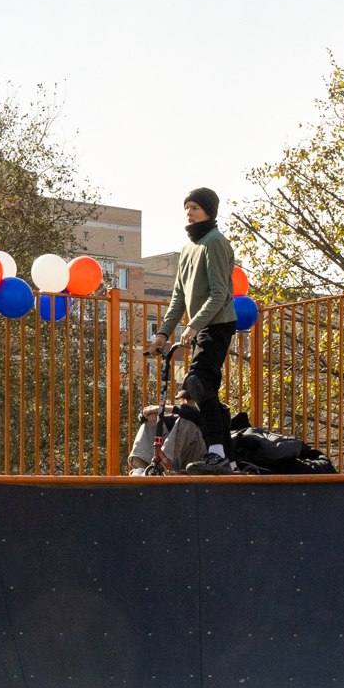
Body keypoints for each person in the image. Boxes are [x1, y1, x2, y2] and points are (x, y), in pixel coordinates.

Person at [145, 187, 241, 474]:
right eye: (187, 207)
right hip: (201, 325)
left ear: (209, 212)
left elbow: (219, 293)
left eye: (195, 208)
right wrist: (162, 333)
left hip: (219, 323)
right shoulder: (188, 249)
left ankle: (216, 453)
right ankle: (230, 460)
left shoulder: (216, 243)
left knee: (197, 383)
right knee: (203, 388)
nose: (189, 213)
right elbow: (178, 298)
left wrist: (193, 325)